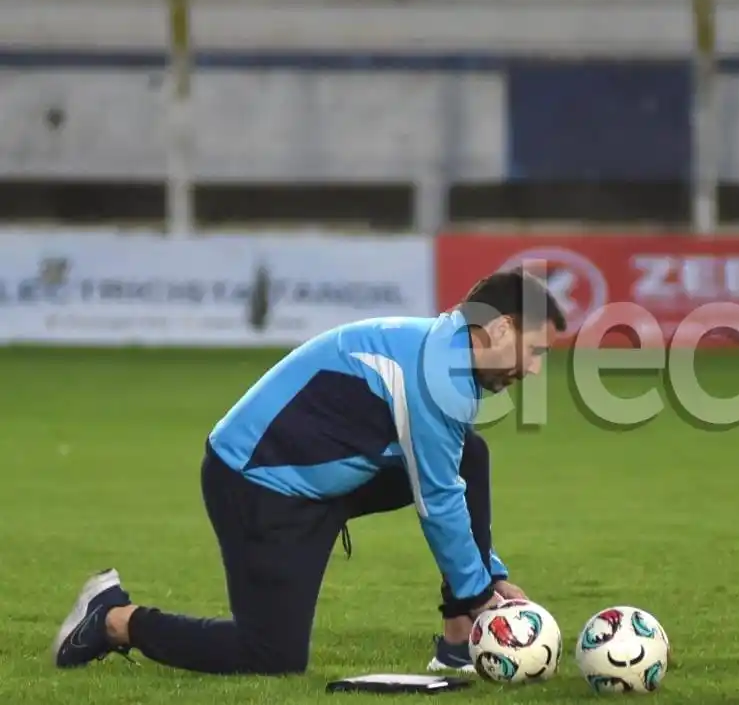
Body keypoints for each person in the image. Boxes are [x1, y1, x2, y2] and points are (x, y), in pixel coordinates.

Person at [51, 268, 567, 676]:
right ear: (500, 328)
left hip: (320, 480)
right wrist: (483, 593)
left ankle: (458, 644)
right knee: (270, 655)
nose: (536, 369)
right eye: (535, 349)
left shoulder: (446, 350)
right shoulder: (441, 372)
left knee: (469, 455)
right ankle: (113, 619)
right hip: (256, 484)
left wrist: (487, 576)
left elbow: (449, 479)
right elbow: (437, 499)